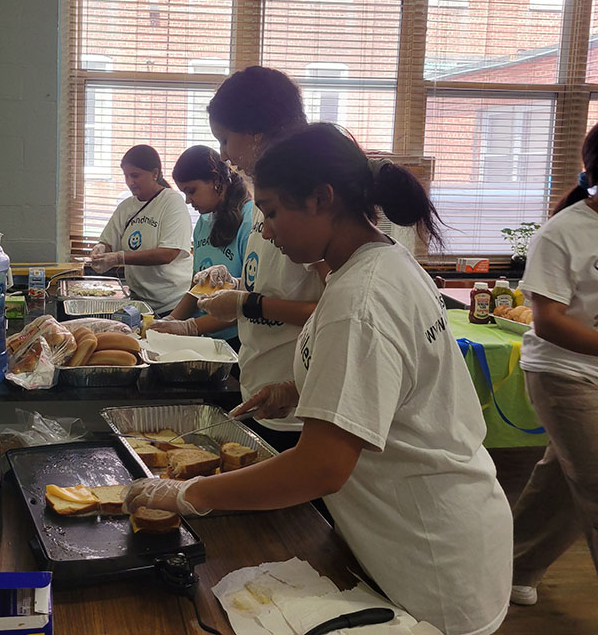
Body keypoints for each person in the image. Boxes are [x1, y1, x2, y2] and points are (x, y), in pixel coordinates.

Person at [125, 123, 513, 635]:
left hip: (430, 552)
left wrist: (189, 492)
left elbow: (319, 469)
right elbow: (397, 382)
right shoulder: (381, 264)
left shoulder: (360, 299)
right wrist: (300, 390)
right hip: (424, 524)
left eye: (271, 212)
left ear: (321, 199)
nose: (266, 231)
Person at [197, 66, 326, 452]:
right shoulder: (264, 197)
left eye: (225, 140)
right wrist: (236, 287)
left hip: (298, 403)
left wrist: (246, 303)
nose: (223, 155)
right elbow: (279, 282)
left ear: (255, 132)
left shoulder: (305, 206)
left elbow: (336, 309)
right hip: (264, 388)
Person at [509, 122, 598, 607]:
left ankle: (511, 566)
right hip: (564, 374)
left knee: (565, 481)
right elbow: (548, 321)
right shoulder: (564, 233)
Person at [148, 145, 252, 349]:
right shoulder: (204, 222)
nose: (188, 201)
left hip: (236, 341)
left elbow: (248, 301)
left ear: (216, 181)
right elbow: (198, 287)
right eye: (184, 193)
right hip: (205, 335)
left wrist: (191, 327)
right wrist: (171, 320)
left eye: (192, 190)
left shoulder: (249, 222)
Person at [90, 145, 193, 315]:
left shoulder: (171, 202)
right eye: (126, 176)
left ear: (154, 173)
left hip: (172, 304)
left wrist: (119, 258)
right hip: (139, 301)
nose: (130, 182)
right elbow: (109, 242)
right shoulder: (126, 207)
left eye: (135, 175)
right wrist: (101, 250)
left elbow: (168, 253)